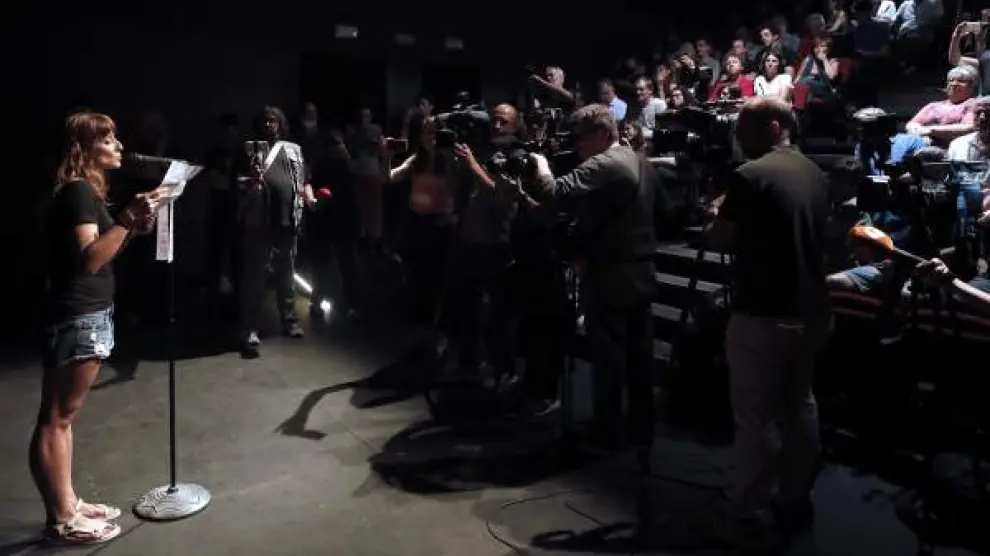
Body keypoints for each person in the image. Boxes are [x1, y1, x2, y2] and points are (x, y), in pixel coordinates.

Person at [695, 97, 832, 550]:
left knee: (755, 417)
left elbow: (720, 240)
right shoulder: (815, 173)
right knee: (801, 406)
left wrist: (713, 215)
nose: (737, 135)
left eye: (745, 126)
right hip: (812, 308)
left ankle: (744, 513)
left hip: (763, 311)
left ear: (773, 127)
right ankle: (794, 497)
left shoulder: (750, 175)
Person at [34, 111, 163, 544]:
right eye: (108, 140)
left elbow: (101, 252)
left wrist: (131, 227)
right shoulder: (77, 192)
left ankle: (68, 503)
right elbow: (89, 260)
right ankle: (61, 520)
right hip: (77, 313)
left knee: (62, 418)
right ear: (85, 148)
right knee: (56, 418)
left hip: (85, 312)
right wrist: (126, 219)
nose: (119, 146)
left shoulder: (85, 191)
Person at [521, 103, 657, 452]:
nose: (577, 145)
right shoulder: (640, 160)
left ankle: (607, 429)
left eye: (580, 138)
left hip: (612, 273)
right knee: (639, 356)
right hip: (642, 268)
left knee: (608, 355)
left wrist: (541, 166)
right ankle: (641, 427)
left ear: (601, 133)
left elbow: (554, 192)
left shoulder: (604, 162)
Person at [233, 106, 316, 355]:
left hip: (287, 219)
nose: (269, 124)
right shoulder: (248, 149)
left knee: (286, 273)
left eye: (274, 120)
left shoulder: (293, 149)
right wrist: (249, 180)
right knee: (254, 277)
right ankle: (249, 327)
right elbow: (236, 181)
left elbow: (304, 180)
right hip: (259, 220)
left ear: (281, 124)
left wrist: (310, 198)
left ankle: (289, 321)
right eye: (266, 121)